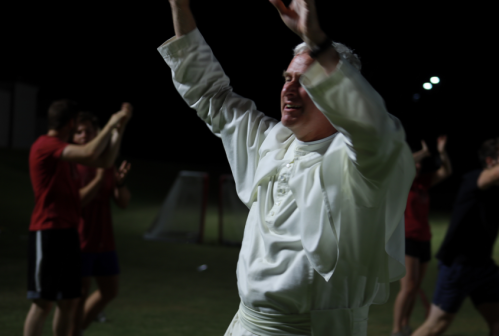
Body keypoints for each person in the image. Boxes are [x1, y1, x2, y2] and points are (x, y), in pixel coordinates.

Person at [159, 0, 415, 335]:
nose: (289, 90)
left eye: (306, 82)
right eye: (287, 78)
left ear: (337, 93)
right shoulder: (270, 143)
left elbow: (375, 129)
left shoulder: (365, 164)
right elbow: (210, 93)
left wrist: (317, 40)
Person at [24, 100, 131, 336]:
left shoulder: (65, 153)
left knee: (68, 302)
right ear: (70, 124)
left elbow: (103, 161)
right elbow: (92, 152)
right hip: (48, 230)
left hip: (69, 233)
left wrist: (119, 128)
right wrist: (112, 121)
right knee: (43, 303)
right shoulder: (47, 145)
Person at [413, 137, 499, 336]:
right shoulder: (474, 179)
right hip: (458, 264)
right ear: (490, 161)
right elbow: (495, 174)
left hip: (484, 266)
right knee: (437, 324)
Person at [71, 112, 132, 335]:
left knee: (109, 291)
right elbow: (77, 201)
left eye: (89, 131)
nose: (84, 135)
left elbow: (123, 202)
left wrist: (120, 184)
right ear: (73, 137)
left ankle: (78, 330)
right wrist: (98, 179)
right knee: (79, 296)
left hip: (104, 241)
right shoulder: (72, 163)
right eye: (79, 132)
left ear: (97, 133)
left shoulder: (106, 162)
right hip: (80, 240)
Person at [392, 136, 452, 336]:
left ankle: (406, 326)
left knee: (416, 287)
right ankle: (396, 329)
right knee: (408, 286)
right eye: (414, 163)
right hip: (406, 238)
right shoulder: (400, 181)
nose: (417, 166)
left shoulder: (422, 184)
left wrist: (441, 153)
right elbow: (401, 161)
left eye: (419, 164)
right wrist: (425, 152)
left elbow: (446, 172)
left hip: (424, 238)